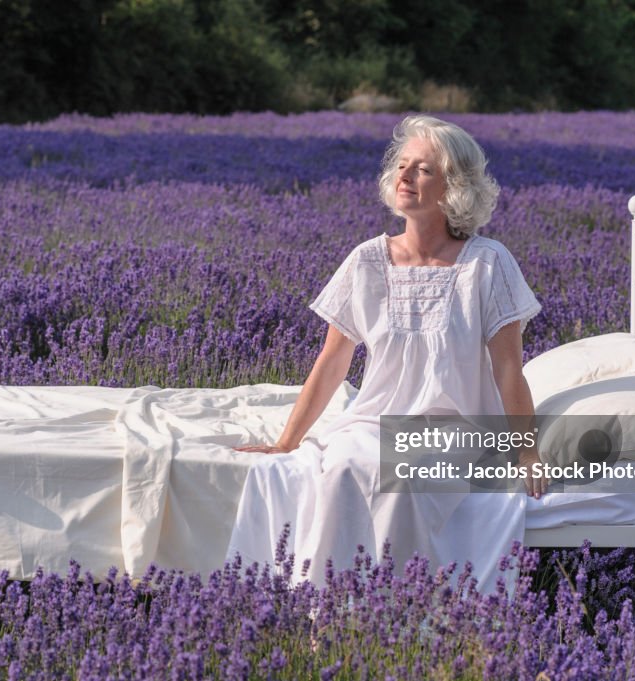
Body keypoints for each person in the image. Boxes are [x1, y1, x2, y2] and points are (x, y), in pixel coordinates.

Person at [228, 115, 545, 591]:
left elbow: (508, 370)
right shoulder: (367, 261)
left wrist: (527, 452)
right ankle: (325, 614)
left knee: (406, 484)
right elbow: (333, 361)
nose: (405, 176)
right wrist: (288, 441)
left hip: (453, 428)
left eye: (423, 169)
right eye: (401, 165)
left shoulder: (487, 262)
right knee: (340, 471)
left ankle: (399, 618)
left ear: (454, 187)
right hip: (372, 421)